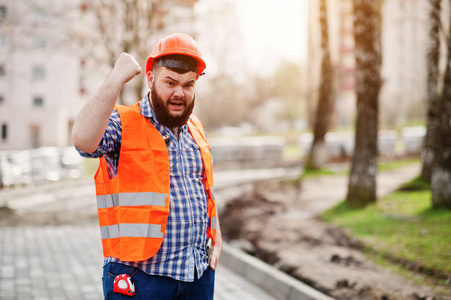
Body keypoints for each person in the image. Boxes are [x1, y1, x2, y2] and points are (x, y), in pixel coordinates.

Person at [72, 33, 222, 300]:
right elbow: (83, 141)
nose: (179, 93)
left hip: (197, 275)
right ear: (151, 79)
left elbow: (202, 187)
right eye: (170, 82)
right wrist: (115, 78)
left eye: (188, 85)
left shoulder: (195, 128)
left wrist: (216, 232)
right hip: (141, 278)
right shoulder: (123, 123)